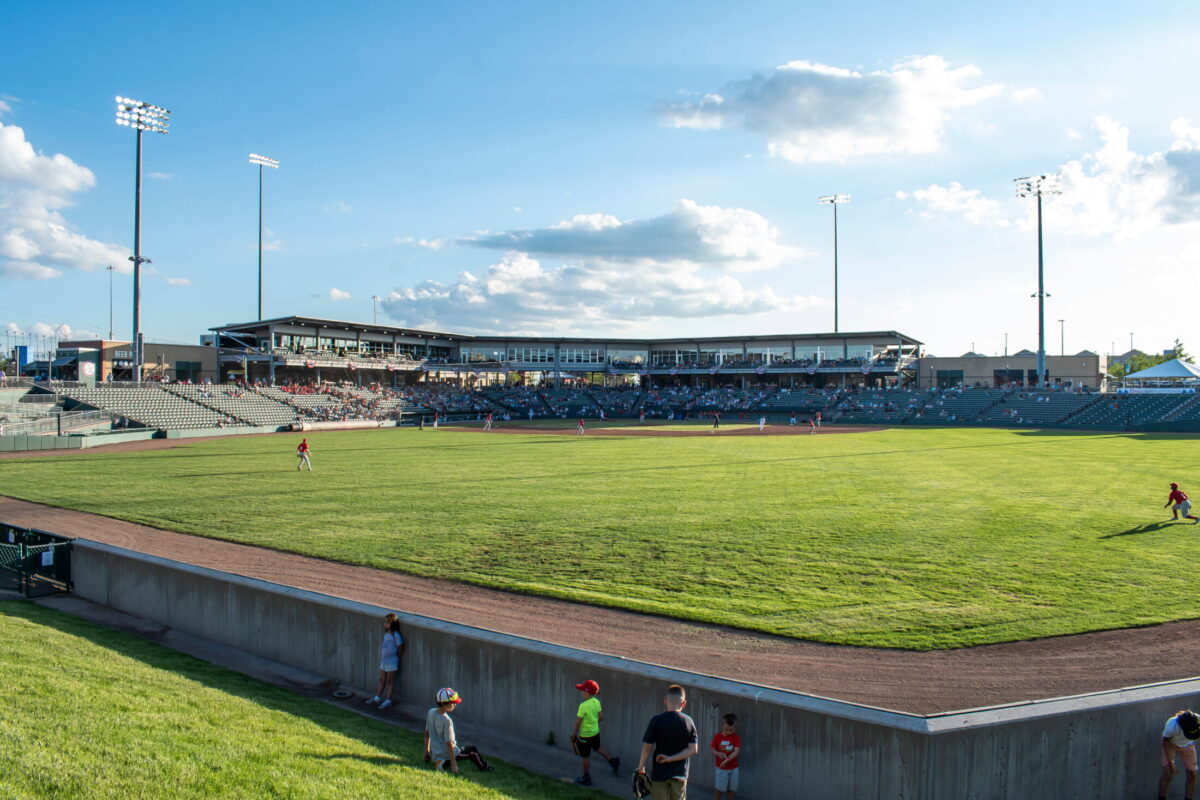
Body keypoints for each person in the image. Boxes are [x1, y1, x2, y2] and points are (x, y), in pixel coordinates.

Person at [636, 684, 698, 800]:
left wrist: (640, 767)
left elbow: (647, 746)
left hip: (660, 772)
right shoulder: (689, 722)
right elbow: (693, 750)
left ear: (665, 701)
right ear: (684, 703)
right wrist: (671, 758)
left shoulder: (656, 720)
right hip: (680, 774)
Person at [424, 688, 492, 773]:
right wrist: (454, 765)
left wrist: (426, 753)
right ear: (444, 703)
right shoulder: (447, 721)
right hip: (446, 753)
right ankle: (484, 767)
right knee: (473, 751)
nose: (455, 705)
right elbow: (450, 744)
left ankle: (441, 762)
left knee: (461, 750)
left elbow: (427, 733)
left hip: (436, 753)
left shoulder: (430, 712)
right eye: (453, 703)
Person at [571, 679, 620, 786]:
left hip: (585, 735)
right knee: (597, 748)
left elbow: (578, 721)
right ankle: (613, 761)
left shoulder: (583, 706)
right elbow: (601, 717)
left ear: (587, 692)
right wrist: (593, 721)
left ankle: (586, 777)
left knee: (585, 757)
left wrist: (574, 733)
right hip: (595, 732)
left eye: (582, 690)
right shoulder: (596, 702)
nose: (581, 692)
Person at [1160, 710, 1200, 800]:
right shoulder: (1172, 726)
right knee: (1168, 774)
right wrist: (1171, 763)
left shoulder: (1197, 719)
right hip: (1170, 744)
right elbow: (1165, 742)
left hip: (1188, 745)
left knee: (1192, 774)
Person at [367, 613, 404, 709]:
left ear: (392, 624)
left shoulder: (396, 635)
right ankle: (377, 698)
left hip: (392, 661)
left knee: (390, 681)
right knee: (382, 679)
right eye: (384, 622)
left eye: (387, 623)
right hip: (384, 661)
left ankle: (388, 700)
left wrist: (398, 657)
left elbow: (400, 647)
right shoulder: (386, 634)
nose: (385, 624)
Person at [710, 713, 741, 800]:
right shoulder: (717, 737)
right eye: (726, 729)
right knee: (719, 789)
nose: (728, 732)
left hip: (734, 768)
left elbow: (736, 751)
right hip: (721, 768)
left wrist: (727, 759)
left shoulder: (736, 738)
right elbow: (713, 749)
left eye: (731, 730)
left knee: (732, 789)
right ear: (722, 725)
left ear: (735, 728)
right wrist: (717, 753)